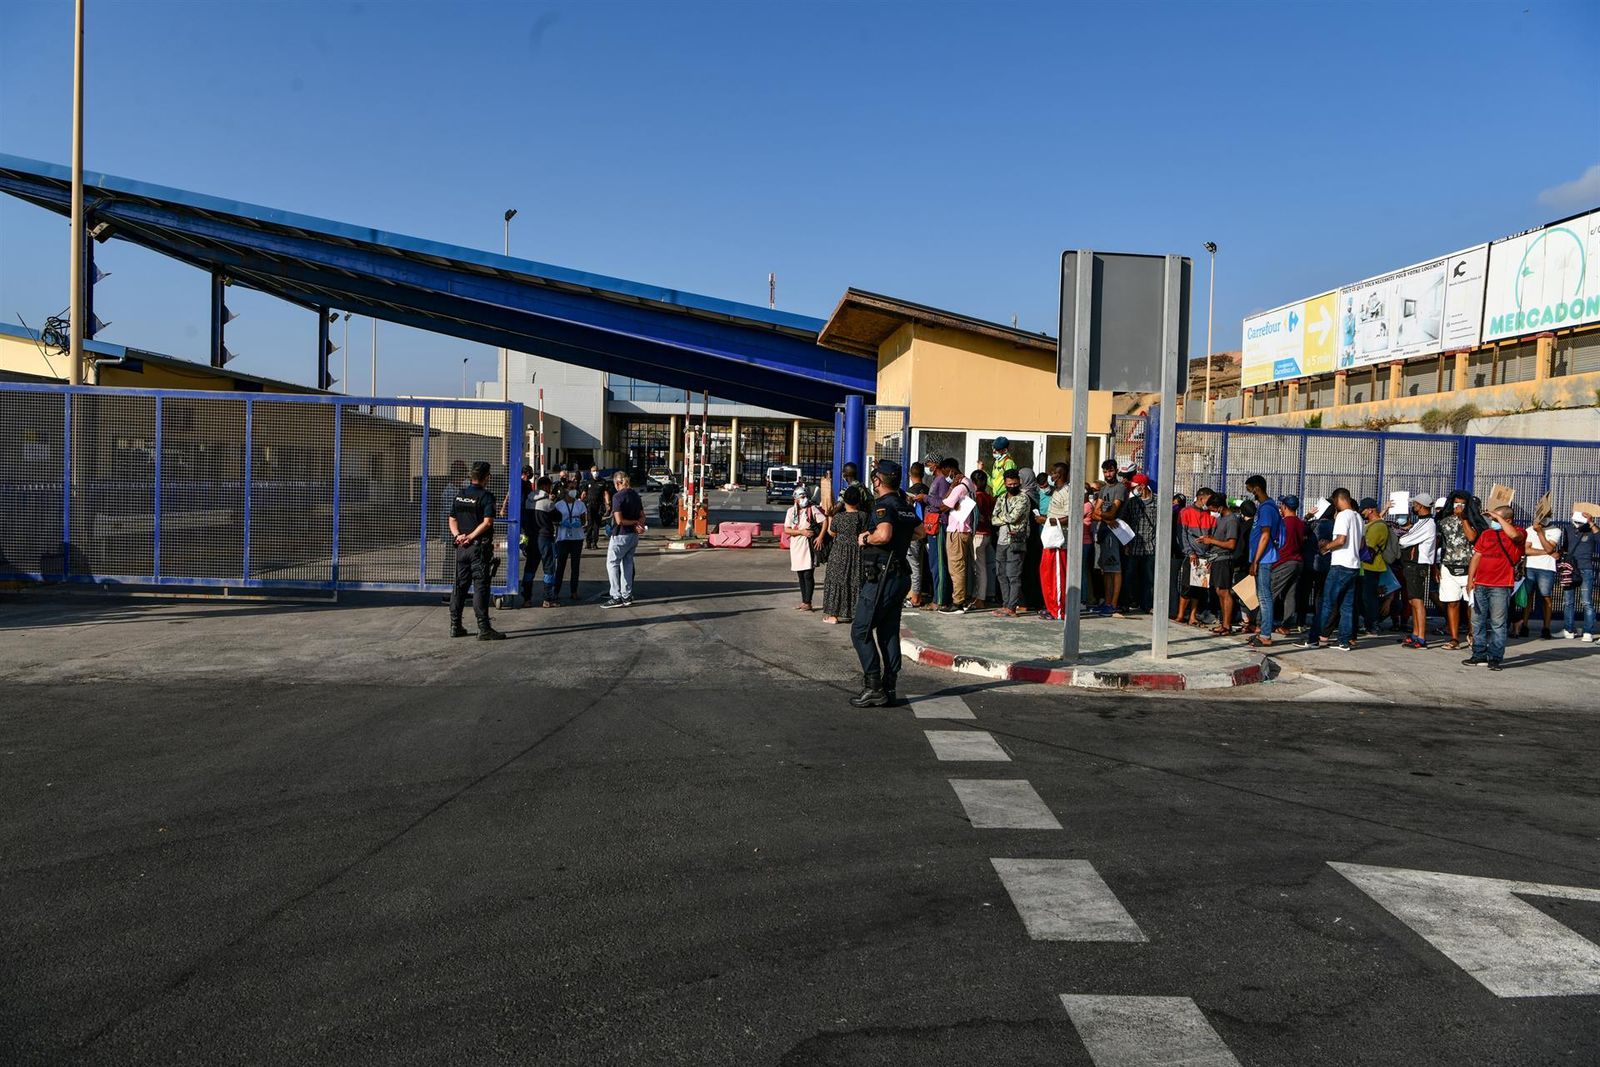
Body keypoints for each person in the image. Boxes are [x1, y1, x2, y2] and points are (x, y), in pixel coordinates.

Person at [849, 461, 921, 708]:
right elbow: (921, 532)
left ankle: (874, 687)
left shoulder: (884, 505)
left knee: (860, 630)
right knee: (888, 631)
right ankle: (889, 687)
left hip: (883, 575)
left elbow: (885, 534)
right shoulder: (905, 506)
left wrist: (865, 537)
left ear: (878, 480)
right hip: (899, 575)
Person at [448, 461, 505, 640]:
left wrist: (458, 536)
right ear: (486, 477)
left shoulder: (461, 495)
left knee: (460, 587)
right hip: (478, 547)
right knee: (481, 587)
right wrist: (471, 536)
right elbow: (487, 522)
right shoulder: (486, 497)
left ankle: (455, 625)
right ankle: (484, 628)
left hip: (461, 548)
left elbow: (452, 518)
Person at [1464, 505, 1526, 670]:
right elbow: (1477, 555)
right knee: (1477, 621)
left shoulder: (1518, 532)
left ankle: (1495, 658)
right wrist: (1470, 580)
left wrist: (1498, 518)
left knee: (1498, 623)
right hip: (1481, 583)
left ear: (1508, 520)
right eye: (1492, 519)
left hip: (1501, 585)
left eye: (1496, 519)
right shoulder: (1487, 534)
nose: (1492, 521)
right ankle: (1479, 654)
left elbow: (1514, 535)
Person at [1303, 488, 1363, 651]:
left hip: (1340, 565)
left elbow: (1341, 540)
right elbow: (1362, 544)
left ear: (1338, 499)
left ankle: (1313, 639)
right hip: (1354, 566)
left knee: (1327, 603)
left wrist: (1326, 547)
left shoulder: (1343, 516)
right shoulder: (1358, 517)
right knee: (1347, 606)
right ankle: (1344, 641)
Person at [1435, 490, 1479, 650]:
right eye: (1456, 503)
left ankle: (1472, 633)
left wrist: (1463, 518)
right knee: (1452, 602)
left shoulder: (1474, 519)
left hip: (1469, 567)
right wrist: (1436, 566)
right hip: (1448, 565)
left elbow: (1472, 537)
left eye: (1462, 503)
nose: (1459, 506)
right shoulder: (1443, 521)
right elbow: (1438, 543)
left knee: (1471, 603)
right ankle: (1454, 638)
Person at [822, 484, 869, 624]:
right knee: (856, 580)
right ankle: (856, 613)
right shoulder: (863, 516)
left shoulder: (839, 516)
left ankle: (833, 615)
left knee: (837, 581)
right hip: (857, 552)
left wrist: (830, 516)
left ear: (845, 501)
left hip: (839, 552)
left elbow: (832, 532)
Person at [1244, 475, 1282, 647]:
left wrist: (1256, 561)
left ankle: (1266, 635)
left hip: (1264, 559)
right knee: (1262, 596)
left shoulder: (1267, 508)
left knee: (1265, 597)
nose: (1250, 493)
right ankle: (1263, 631)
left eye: (1250, 489)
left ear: (1257, 488)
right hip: (1262, 558)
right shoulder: (1266, 507)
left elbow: (1265, 535)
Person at [1396, 493, 1438, 648]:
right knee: (1412, 600)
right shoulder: (1422, 523)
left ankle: (1421, 637)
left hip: (1417, 565)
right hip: (1412, 565)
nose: (1413, 507)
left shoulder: (1427, 523)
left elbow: (1405, 540)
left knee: (1417, 601)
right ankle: (1415, 633)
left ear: (1421, 506)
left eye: (1414, 505)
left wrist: (1402, 537)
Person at [1037, 463, 1076, 620]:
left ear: (1058, 475)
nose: (1050, 476)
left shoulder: (1067, 492)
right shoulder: (1056, 491)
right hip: (1051, 538)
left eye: (1052, 473)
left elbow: (1069, 517)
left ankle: (1059, 610)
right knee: (1047, 574)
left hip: (1060, 540)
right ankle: (1051, 606)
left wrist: (1045, 520)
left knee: (1058, 576)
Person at [1197, 494, 1240, 635]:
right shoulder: (1221, 519)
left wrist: (1212, 542)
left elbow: (1231, 544)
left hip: (1224, 559)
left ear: (1220, 507)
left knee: (1224, 591)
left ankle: (1227, 625)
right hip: (1216, 558)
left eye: (1213, 509)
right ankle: (1224, 623)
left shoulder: (1231, 520)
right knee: (1219, 591)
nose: (1211, 512)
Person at [991, 468, 1030, 617]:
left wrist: (1002, 517)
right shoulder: (1001, 498)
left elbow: (1014, 517)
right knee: (1001, 574)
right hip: (1001, 540)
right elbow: (993, 518)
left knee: (1013, 575)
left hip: (1016, 540)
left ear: (1019, 482)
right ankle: (1006, 603)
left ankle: (1012, 606)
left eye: (1015, 484)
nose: (1012, 486)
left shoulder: (1023, 498)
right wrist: (1003, 518)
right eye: (1009, 484)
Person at [939, 459, 977, 613]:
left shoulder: (959, 487)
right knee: (961, 566)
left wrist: (952, 487)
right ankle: (961, 598)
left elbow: (942, 506)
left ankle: (958, 602)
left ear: (950, 470)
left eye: (945, 473)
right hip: (964, 530)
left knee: (956, 567)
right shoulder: (967, 482)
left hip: (957, 530)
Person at [603, 471, 644, 608]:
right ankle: (627, 595)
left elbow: (619, 520)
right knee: (627, 564)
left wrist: (632, 523)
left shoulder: (618, 497)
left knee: (612, 563)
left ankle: (616, 595)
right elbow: (642, 515)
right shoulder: (635, 495)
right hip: (633, 536)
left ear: (618, 483)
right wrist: (639, 524)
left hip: (621, 534)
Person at [1091, 458, 1126, 616]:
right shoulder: (1104, 489)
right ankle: (1107, 601)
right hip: (1105, 530)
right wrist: (1105, 518)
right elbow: (1094, 513)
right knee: (1106, 570)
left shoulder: (1120, 488)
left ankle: (1114, 603)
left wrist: (1104, 515)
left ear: (1116, 471)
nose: (1108, 474)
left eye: (1111, 471)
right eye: (1105, 471)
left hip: (1115, 532)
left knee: (1115, 568)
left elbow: (1113, 511)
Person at [1176, 488, 1215, 627]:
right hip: (1192, 555)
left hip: (1204, 556)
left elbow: (1212, 535)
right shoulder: (1185, 512)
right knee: (1187, 586)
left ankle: (1192, 616)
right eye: (1208, 500)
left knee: (1199, 587)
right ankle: (1180, 614)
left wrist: (1209, 556)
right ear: (1200, 498)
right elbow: (1182, 535)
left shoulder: (1210, 515)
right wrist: (1189, 552)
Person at [1520, 513, 1563, 639]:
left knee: (1546, 597)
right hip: (1530, 567)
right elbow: (1527, 550)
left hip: (1546, 568)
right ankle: (1525, 625)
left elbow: (1550, 547)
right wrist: (1547, 552)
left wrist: (1540, 532)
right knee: (1528, 596)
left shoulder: (1555, 530)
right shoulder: (1529, 530)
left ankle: (1546, 627)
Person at [783, 487, 826, 611]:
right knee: (800, 574)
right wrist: (801, 532)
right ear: (795, 499)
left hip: (808, 546)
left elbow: (824, 522)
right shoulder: (791, 512)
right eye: (801, 497)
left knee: (808, 574)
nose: (804, 499)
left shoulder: (812, 509)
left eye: (805, 496)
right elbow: (787, 529)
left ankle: (808, 602)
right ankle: (804, 601)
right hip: (796, 546)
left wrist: (820, 538)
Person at [1122, 474, 1158, 613]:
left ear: (1142, 486)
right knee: (1129, 576)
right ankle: (1127, 602)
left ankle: (1147, 605)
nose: (1133, 490)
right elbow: (1124, 521)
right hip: (1134, 546)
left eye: (1135, 487)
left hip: (1151, 547)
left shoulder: (1157, 501)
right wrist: (1126, 543)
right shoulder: (1132, 502)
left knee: (1149, 578)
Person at [1270, 495, 1306, 636]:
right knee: (1290, 595)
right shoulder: (1300, 523)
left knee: (1270, 593)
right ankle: (1286, 625)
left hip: (1284, 562)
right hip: (1297, 561)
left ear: (1284, 507)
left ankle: (1262, 622)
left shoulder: (1284, 523)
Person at [1562, 509, 1598, 641]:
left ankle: (1588, 631)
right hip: (1570, 569)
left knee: (1587, 602)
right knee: (1568, 602)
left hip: (1585, 568)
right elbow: (1565, 547)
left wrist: (1591, 523)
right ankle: (1569, 629)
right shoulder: (1568, 529)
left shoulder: (1591, 530)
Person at [525, 475, 559, 608]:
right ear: (545, 486)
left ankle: (526, 599)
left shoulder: (528, 500)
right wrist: (553, 501)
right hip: (545, 538)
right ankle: (547, 599)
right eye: (549, 487)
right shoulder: (547, 503)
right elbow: (558, 516)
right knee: (549, 568)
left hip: (532, 538)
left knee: (530, 568)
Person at [1358, 497, 1391, 635]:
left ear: (1370, 510)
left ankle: (1372, 625)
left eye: (1363, 510)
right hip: (1366, 567)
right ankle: (1369, 623)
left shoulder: (1377, 527)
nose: (1362, 513)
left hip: (1371, 567)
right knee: (1365, 597)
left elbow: (1368, 547)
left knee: (1369, 598)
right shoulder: (1373, 524)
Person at [552, 479, 587, 603]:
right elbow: (554, 521)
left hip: (577, 538)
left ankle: (574, 591)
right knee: (560, 565)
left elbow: (584, 520)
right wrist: (562, 523)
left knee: (575, 566)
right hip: (563, 538)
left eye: (574, 488)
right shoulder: (559, 505)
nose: (573, 490)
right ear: (565, 489)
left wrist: (578, 523)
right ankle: (556, 591)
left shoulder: (580, 504)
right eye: (571, 488)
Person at [903, 462, 930, 608]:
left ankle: (915, 597)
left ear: (909, 474)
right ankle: (919, 592)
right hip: (926, 530)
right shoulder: (927, 490)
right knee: (920, 563)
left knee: (914, 565)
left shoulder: (910, 492)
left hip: (914, 531)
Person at [969, 468, 996, 611]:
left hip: (978, 534)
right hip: (987, 534)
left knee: (979, 568)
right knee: (982, 567)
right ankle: (978, 595)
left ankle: (980, 598)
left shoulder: (976, 497)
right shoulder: (989, 497)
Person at [1019, 467, 1045, 610]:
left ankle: (1027, 602)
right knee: (1033, 570)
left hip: (1029, 538)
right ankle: (1034, 601)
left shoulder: (1026, 496)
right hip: (1036, 537)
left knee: (1027, 570)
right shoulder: (1036, 493)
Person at [583, 465, 609, 549]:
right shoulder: (588, 482)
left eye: (596, 470)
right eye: (593, 471)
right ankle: (588, 542)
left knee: (596, 525)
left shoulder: (603, 482)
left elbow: (606, 493)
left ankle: (595, 543)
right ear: (591, 472)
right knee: (590, 524)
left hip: (599, 505)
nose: (595, 472)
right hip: (590, 505)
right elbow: (584, 494)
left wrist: (607, 503)